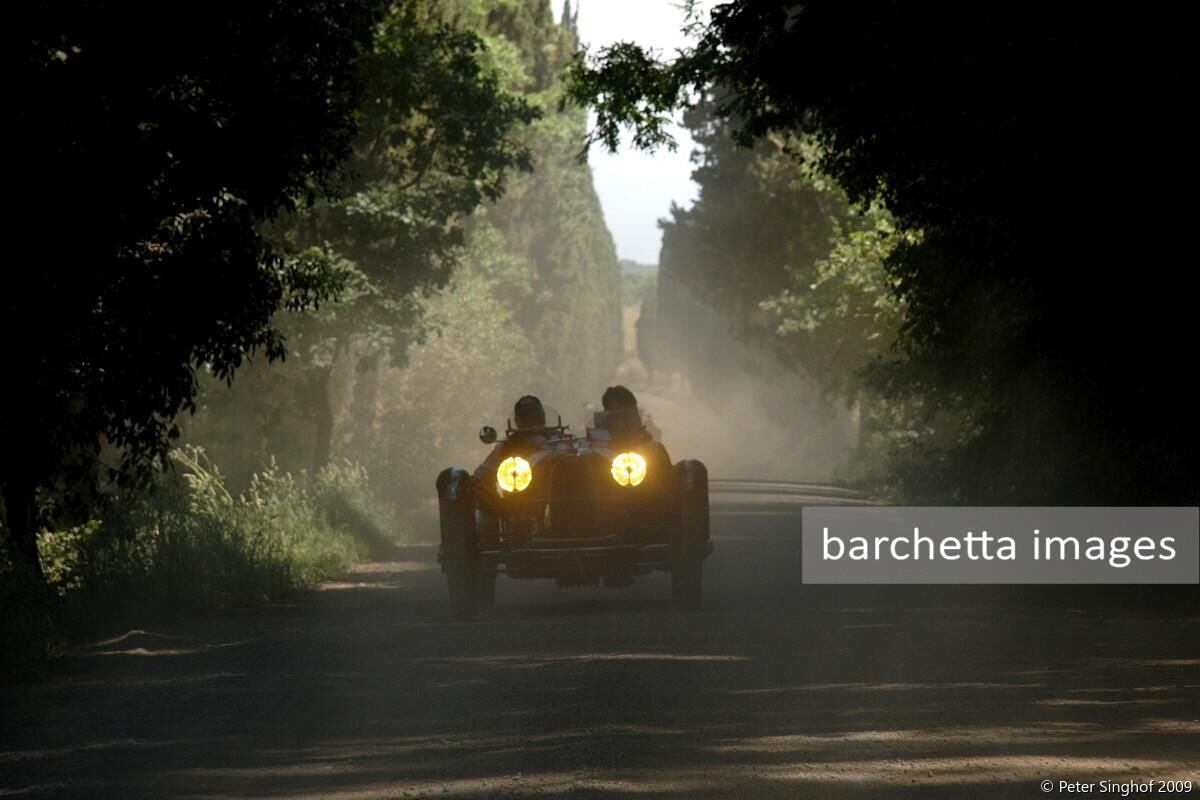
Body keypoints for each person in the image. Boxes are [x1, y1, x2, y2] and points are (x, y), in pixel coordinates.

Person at [473, 395, 549, 497]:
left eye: (535, 414)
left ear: (542, 415)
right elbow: (482, 476)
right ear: (518, 420)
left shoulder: (562, 440)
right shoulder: (506, 446)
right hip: (520, 504)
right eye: (526, 415)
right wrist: (496, 504)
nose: (532, 419)